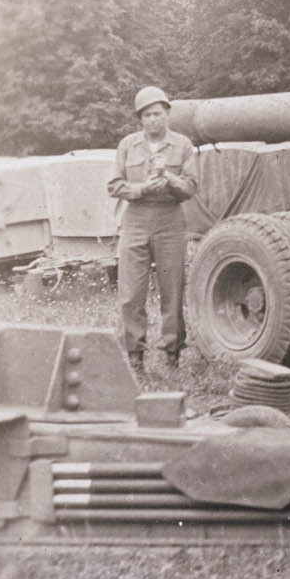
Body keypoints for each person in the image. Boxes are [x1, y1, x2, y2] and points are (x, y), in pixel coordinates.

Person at [108, 86, 198, 373]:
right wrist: (141, 188)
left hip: (170, 221)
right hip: (135, 221)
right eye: (147, 115)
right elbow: (114, 185)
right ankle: (135, 358)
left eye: (158, 114)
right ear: (140, 119)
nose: (153, 120)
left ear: (167, 114)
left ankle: (172, 355)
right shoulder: (128, 145)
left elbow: (191, 187)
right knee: (130, 294)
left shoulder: (183, 145)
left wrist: (170, 180)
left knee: (172, 291)